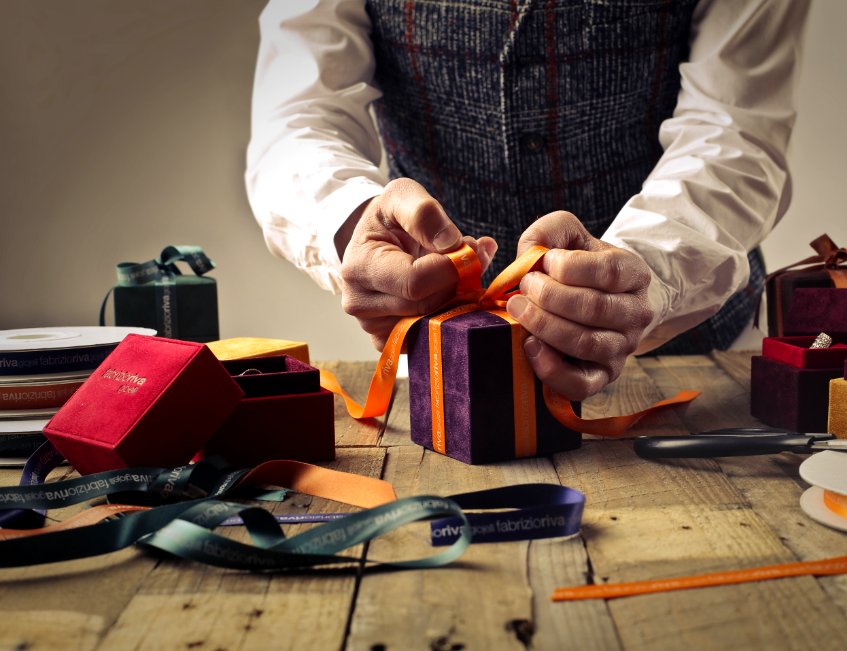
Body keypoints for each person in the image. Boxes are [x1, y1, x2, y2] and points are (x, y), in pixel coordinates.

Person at [245, 0, 810, 401]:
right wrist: (348, 224)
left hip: (702, 367)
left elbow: (736, 126)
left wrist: (650, 275)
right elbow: (298, 115)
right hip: (448, 374)